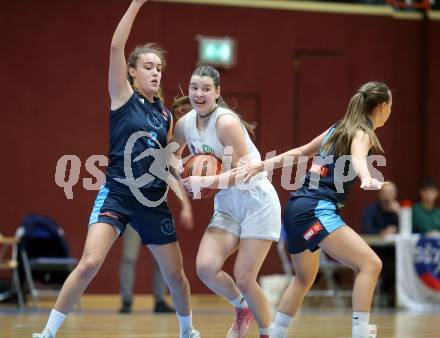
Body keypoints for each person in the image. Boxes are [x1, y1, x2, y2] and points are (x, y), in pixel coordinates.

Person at [32, 1, 200, 337]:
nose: (156, 72)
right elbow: (115, 45)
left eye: (160, 68)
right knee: (90, 262)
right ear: (132, 72)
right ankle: (47, 333)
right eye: (148, 66)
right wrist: (137, 3)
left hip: (153, 201)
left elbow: (168, 159)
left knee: (176, 277)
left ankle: (187, 331)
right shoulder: (122, 96)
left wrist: (185, 177)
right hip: (119, 194)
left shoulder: (165, 116)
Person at [243, 82, 392, 338]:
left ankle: (275, 334)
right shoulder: (362, 131)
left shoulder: (338, 128)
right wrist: (366, 176)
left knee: (304, 278)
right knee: (370, 264)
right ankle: (361, 333)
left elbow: (300, 152)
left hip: (295, 208)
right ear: (383, 107)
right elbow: (358, 156)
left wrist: (261, 166)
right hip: (315, 209)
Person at [173, 65, 281, 338]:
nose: (199, 94)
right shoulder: (185, 124)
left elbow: (245, 174)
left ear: (217, 92)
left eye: (206, 89)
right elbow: (170, 155)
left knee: (245, 278)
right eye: (194, 87)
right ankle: (242, 309)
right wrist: (182, 171)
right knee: (206, 268)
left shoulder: (225, 122)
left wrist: (205, 181)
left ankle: (268, 333)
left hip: (257, 201)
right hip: (228, 204)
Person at [119, 224, 175, 314]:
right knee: (129, 258)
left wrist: (185, 209)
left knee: (160, 259)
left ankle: (160, 302)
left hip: (155, 216)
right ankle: (126, 301)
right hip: (132, 216)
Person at [361, 181, 399, 306]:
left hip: (394, 252)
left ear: (395, 195)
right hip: (375, 251)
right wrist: (382, 231)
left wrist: (400, 214)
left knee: (401, 265)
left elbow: (410, 230)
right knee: (379, 265)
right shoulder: (372, 210)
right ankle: (375, 300)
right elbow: (366, 229)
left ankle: (395, 299)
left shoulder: (398, 211)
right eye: (385, 193)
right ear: (380, 194)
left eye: (391, 193)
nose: (388, 196)